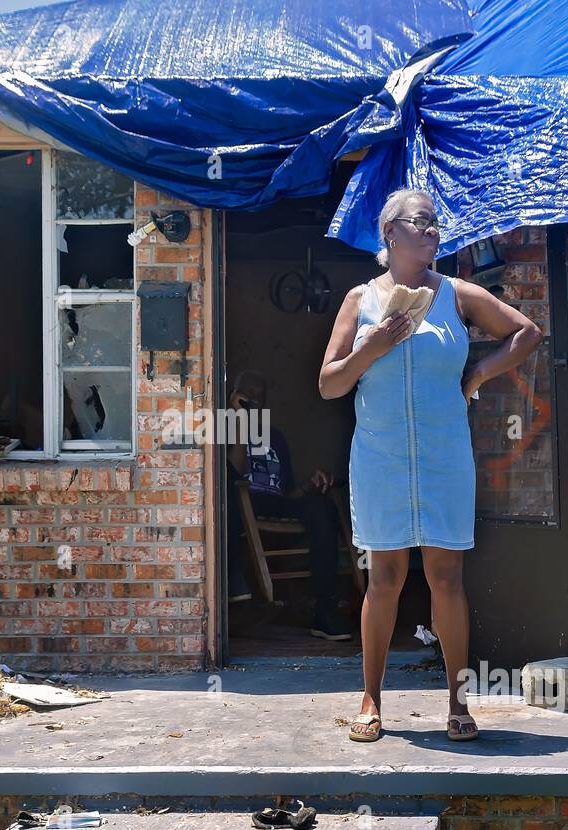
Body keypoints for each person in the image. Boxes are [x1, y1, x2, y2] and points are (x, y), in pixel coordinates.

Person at [318, 188, 543, 742]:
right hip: (381, 457)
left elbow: (527, 332)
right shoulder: (360, 299)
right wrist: (371, 348)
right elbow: (329, 384)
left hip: (443, 455)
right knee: (385, 578)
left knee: (446, 577)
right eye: (420, 224)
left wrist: (479, 374)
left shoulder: (456, 295)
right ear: (390, 234)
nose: (432, 233)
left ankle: (457, 703)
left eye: (436, 225)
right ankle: (371, 700)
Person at [226, 369, 353, 640]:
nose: (255, 399)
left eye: (260, 396)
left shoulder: (276, 437)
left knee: (323, 508)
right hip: (246, 503)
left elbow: (288, 493)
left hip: (276, 503)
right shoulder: (226, 429)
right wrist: (238, 420)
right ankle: (238, 591)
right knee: (231, 495)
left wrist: (310, 485)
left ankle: (324, 608)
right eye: (249, 394)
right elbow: (234, 474)